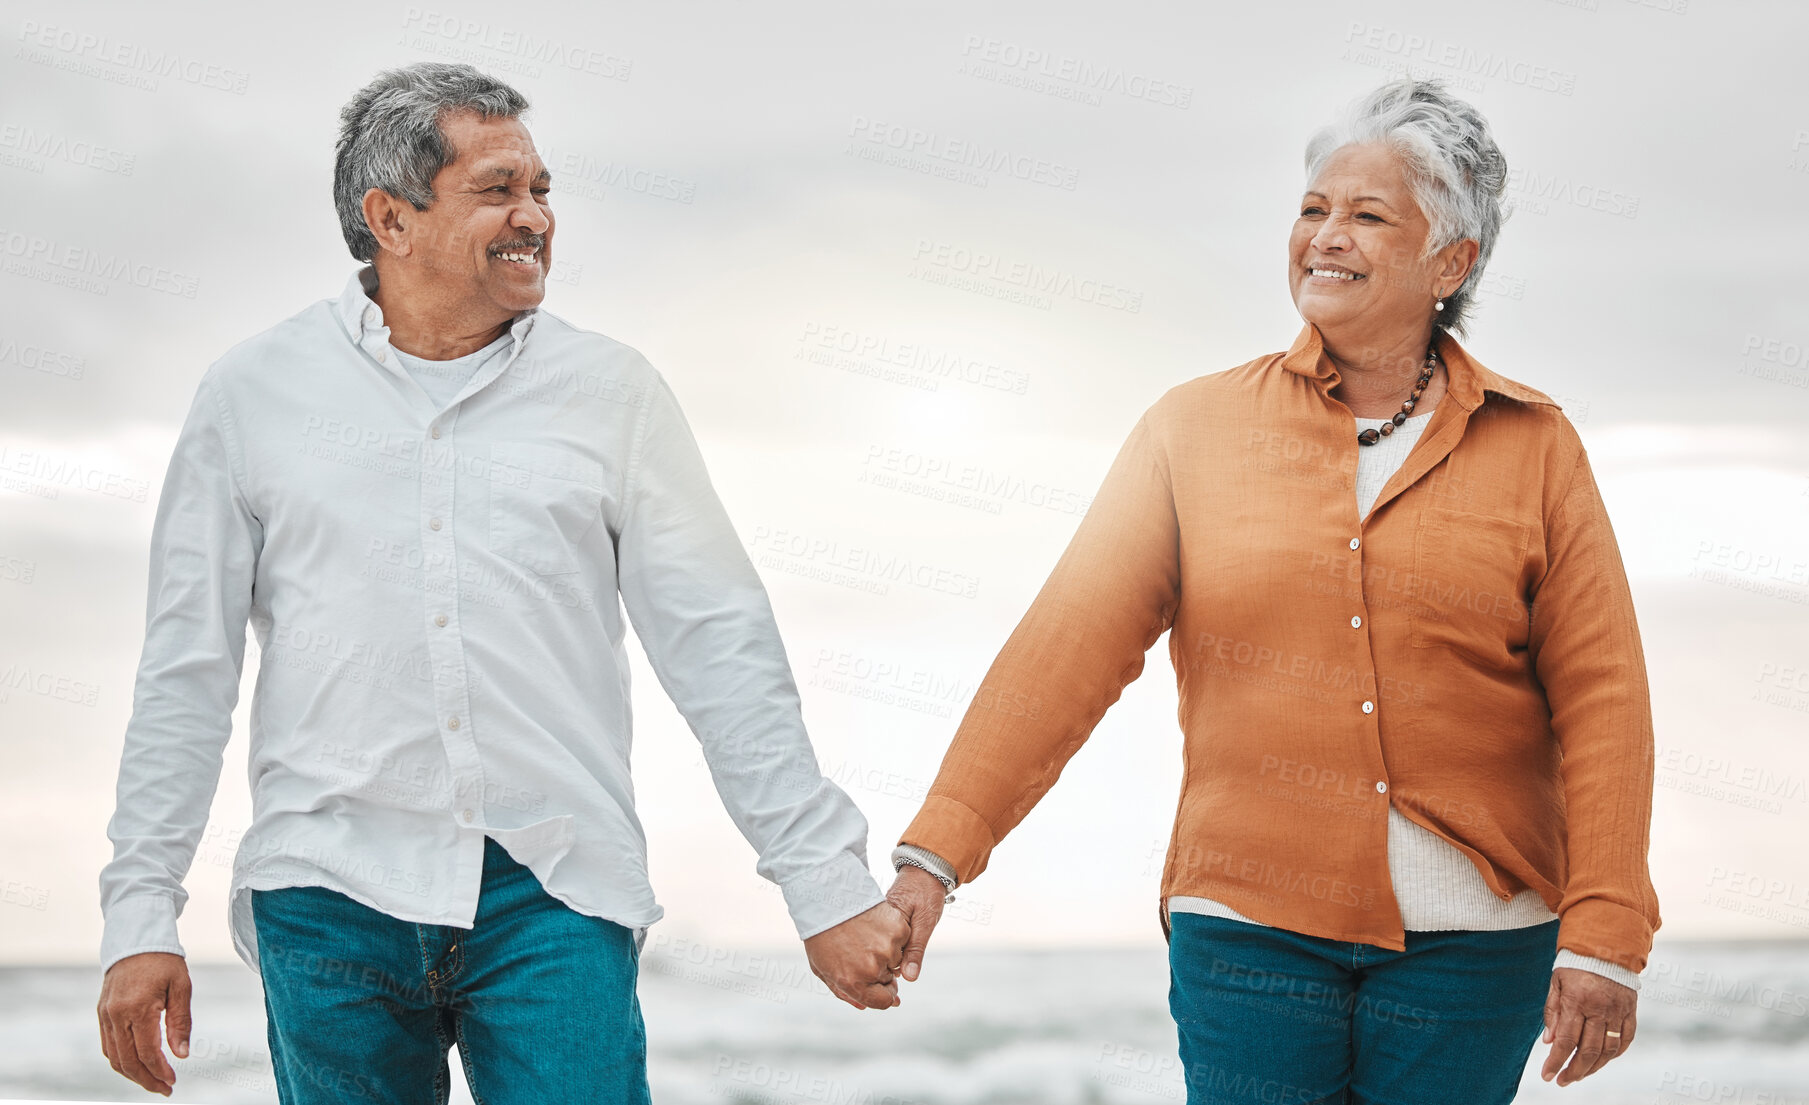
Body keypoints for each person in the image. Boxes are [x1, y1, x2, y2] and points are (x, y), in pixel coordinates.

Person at [95, 61, 907, 1103]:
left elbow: (721, 647)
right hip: (328, 889)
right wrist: (138, 917)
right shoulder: (252, 396)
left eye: (542, 190)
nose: (535, 217)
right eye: (498, 191)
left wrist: (823, 884)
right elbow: (185, 672)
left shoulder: (613, 395)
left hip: (554, 889)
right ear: (390, 218)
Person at [882, 79, 1660, 1102]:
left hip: (1476, 948)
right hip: (1248, 933)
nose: (1326, 235)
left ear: (1452, 261)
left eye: (1368, 215)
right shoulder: (1191, 431)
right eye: (1313, 209)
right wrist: (934, 857)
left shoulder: (1538, 446)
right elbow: (1065, 650)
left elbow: (1604, 698)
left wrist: (1608, 934)